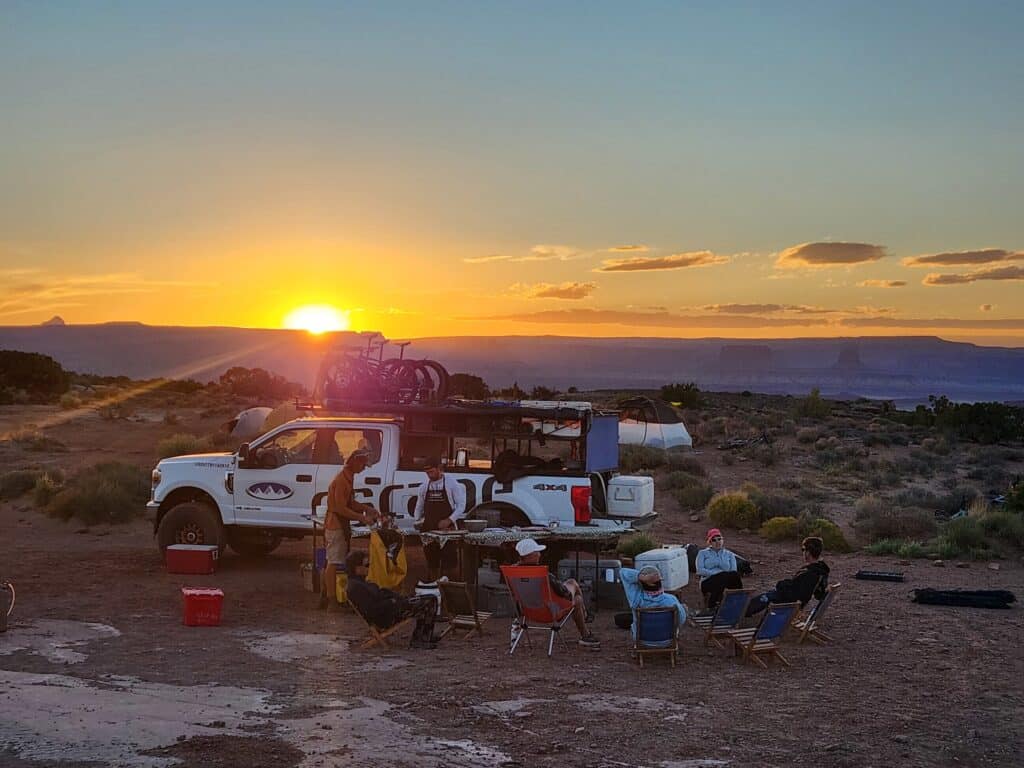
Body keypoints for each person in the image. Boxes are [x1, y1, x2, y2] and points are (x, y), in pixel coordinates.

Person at [514, 538, 600, 649]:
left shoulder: (512, 572)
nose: (540, 555)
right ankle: (585, 632)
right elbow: (565, 593)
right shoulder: (543, 574)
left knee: (573, 589)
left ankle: (585, 618)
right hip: (550, 612)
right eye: (537, 552)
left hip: (527, 611)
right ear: (530, 555)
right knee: (575, 593)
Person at [345, 550, 439, 649]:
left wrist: (396, 598)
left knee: (428, 598)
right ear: (357, 568)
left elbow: (380, 594)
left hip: (391, 609)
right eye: (366, 565)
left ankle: (424, 636)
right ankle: (420, 638)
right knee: (429, 601)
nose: (369, 568)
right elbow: (371, 610)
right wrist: (392, 602)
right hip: (387, 615)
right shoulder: (356, 587)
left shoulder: (359, 582)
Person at [320, 449, 378, 609]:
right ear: (354, 462)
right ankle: (331, 601)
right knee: (333, 561)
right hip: (335, 524)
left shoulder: (348, 477)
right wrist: (362, 518)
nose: (363, 469)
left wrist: (367, 508)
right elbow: (340, 507)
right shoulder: (341, 479)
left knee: (332, 560)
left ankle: (326, 596)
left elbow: (350, 503)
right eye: (362, 465)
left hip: (340, 523)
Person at [746, 536, 830, 617]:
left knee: (766, 597)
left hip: (791, 604)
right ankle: (746, 611)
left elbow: (796, 594)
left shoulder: (810, 573)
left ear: (808, 552)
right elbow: (818, 594)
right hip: (795, 602)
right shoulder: (820, 570)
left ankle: (743, 612)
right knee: (770, 594)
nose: (803, 552)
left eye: (803, 549)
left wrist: (781, 585)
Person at [413, 457, 467, 580]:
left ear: (439, 469)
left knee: (450, 563)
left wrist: (449, 520)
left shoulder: (451, 483)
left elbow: (461, 506)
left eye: (431, 472)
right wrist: (417, 521)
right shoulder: (423, 487)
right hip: (429, 530)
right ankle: (433, 588)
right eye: (427, 473)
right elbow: (419, 507)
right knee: (432, 563)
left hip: (448, 530)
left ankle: (449, 588)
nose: (429, 475)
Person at [621, 566, 687, 643]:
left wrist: (639, 576)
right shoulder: (671, 600)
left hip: (642, 641)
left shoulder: (636, 599)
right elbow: (681, 620)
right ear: (660, 582)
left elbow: (623, 572)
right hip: (667, 640)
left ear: (640, 584)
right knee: (683, 609)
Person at [695, 528, 744, 611]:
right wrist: (717, 574)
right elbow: (700, 570)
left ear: (722, 540)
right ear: (710, 542)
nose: (717, 542)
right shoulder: (702, 553)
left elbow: (733, 571)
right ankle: (713, 605)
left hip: (725, 581)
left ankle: (738, 599)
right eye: (714, 540)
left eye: (719, 539)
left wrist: (722, 575)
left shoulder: (729, 554)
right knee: (723, 576)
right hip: (708, 580)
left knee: (734, 575)